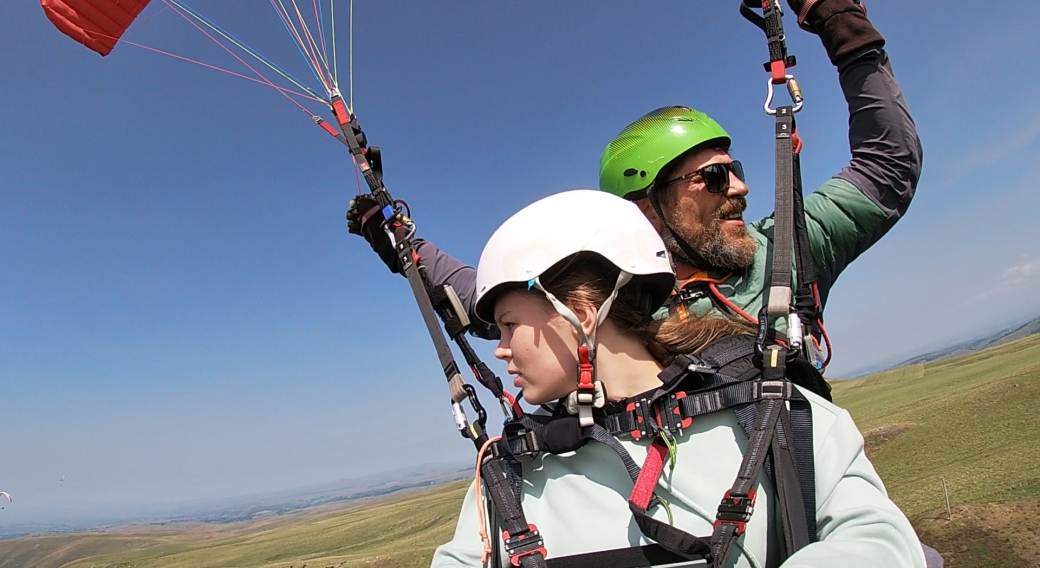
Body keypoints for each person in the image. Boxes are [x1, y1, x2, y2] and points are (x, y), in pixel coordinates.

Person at [348, 0, 922, 370]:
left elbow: (887, 165)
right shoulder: (601, 297)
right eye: (715, 176)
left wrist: (844, 28)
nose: (741, 189)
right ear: (648, 206)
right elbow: (483, 293)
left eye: (737, 170)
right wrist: (400, 243)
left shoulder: (786, 252)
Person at [430, 189, 926, 568]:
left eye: (511, 325)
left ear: (579, 312)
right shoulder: (509, 474)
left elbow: (880, 541)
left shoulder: (774, 413)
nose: (499, 349)